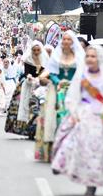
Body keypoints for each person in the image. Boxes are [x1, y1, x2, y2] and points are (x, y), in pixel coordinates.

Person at [51, 45, 103, 196]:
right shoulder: (82, 75)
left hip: (102, 117)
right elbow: (73, 96)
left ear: (99, 58)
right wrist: (74, 112)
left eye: (93, 56)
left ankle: (91, 185)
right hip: (84, 114)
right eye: (87, 56)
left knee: (98, 152)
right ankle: (61, 165)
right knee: (70, 141)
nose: (90, 59)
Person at [35, 31, 85, 162]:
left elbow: (83, 72)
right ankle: (56, 148)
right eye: (64, 39)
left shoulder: (79, 56)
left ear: (73, 42)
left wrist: (75, 82)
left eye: (69, 39)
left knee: (74, 117)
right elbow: (51, 72)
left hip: (74, 90)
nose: (66, 41)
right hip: (58, 90)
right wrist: (58, 82)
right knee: (57, 117)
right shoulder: (57, 56)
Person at [5, 41, 48, 138]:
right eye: (34, 50)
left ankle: (39, 129)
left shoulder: (45, 59)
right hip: (29, 85)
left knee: (41, 107)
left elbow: (46, 72)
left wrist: (41, 79)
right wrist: (29, 77)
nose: (36, 52)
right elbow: (27, 73)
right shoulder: (28, 59)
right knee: (27, 106)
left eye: (38, 50)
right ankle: (28, 130)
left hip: (41, 85)